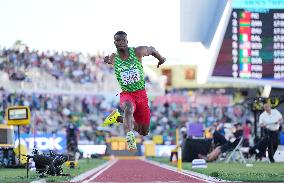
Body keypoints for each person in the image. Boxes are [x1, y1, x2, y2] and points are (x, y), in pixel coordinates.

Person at [102, 31, 166, 152]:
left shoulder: (137, 52)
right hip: (127, 94)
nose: (120, 42)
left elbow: (151, 49)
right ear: (114, 42)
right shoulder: (113, 58)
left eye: (122, 40)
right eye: (117, 40)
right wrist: (106, 60)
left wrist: (161, 59)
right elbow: (108, 60)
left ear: (127, 41)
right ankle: (130, 139)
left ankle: (118, 118)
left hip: (141, 94)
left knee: (144, 131)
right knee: (128, 108)